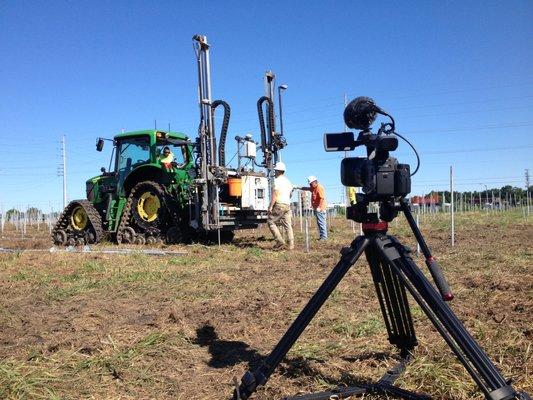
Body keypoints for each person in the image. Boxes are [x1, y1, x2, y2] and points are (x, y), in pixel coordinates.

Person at [267, 161, 294, 250]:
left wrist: (271, 206)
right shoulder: (288, 181)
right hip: (287, 205)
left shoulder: (277, 181)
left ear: (278, 171)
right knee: (287, 225)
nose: (274, 172)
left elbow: (275, 194)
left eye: (275, 171)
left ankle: (280, 242)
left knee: (271, 222)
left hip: (279, 204)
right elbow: (290, 194)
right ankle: (291, 245)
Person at [301, 176, 328, 240]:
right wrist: (298, 187)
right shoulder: (313, 188)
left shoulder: (319, 188)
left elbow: (322, 198)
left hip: (320, 210)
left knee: (321, 223)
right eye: (309, 184)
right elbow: (307, 188)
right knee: (319, 223)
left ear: (315, 182)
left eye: (311, 183)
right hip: (317, 209)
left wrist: (319, 207)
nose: (310, 185)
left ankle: (324, 237)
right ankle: (322, 237)